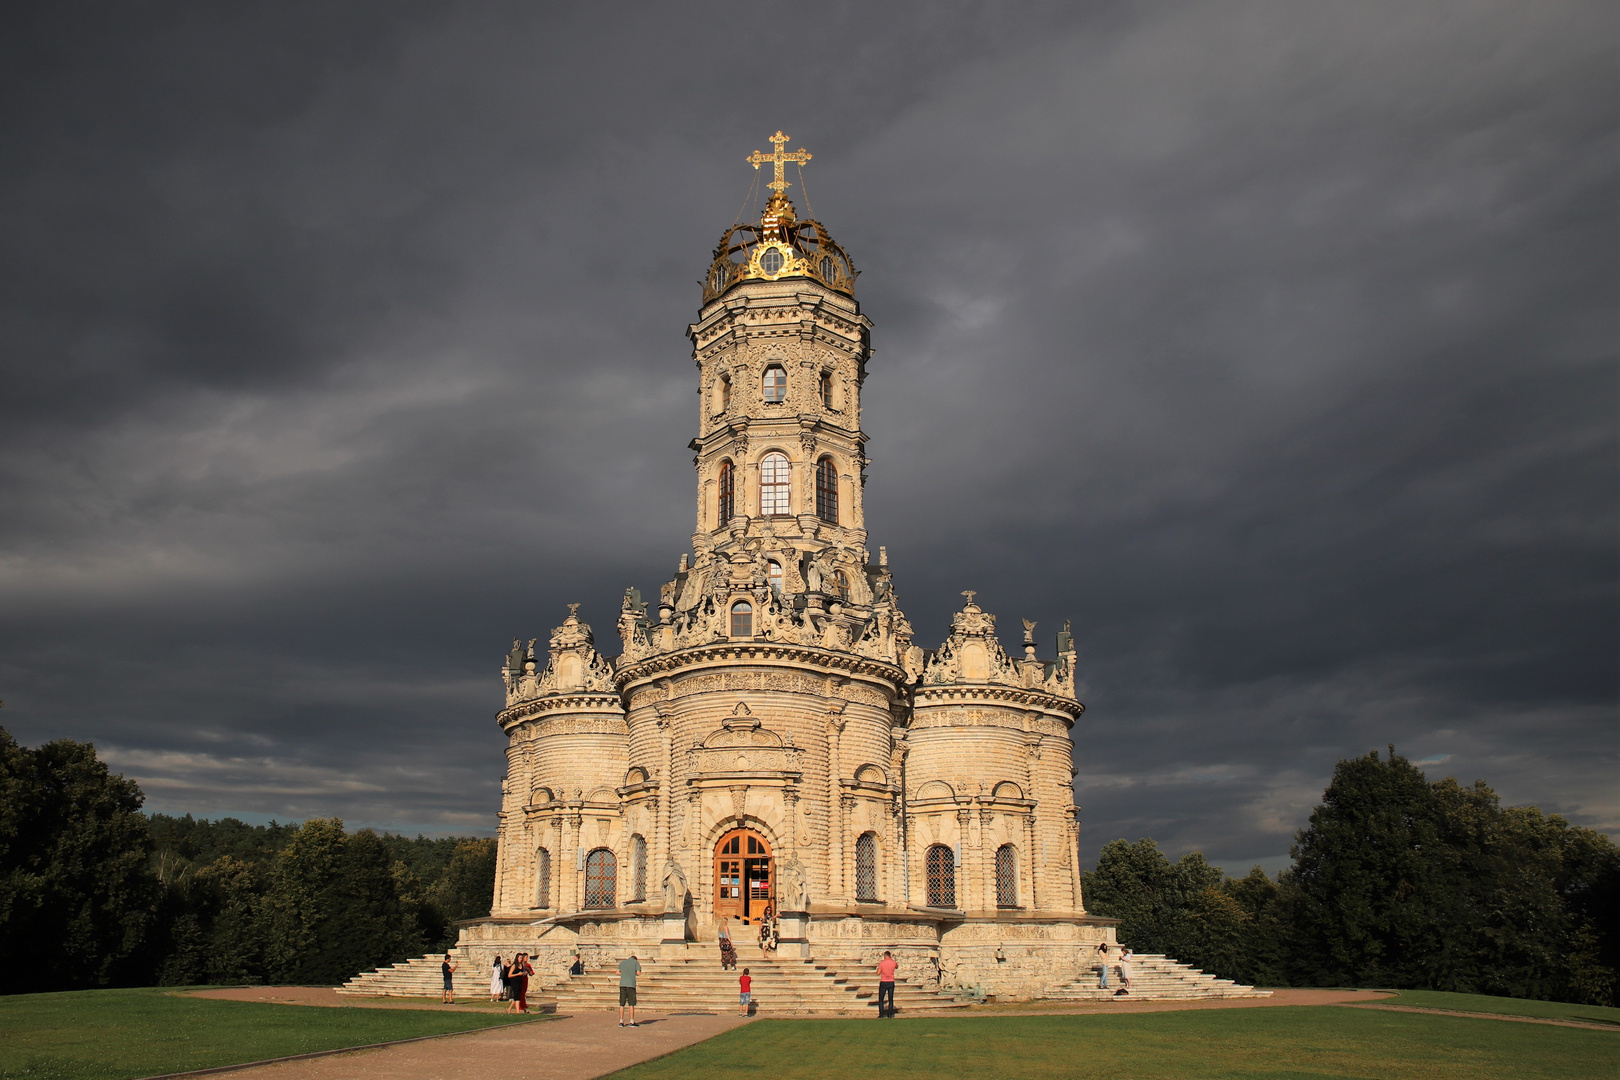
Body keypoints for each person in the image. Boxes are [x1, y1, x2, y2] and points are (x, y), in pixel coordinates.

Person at [618, 953, 642, 1027]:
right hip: (631, 984)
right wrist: (632, 974)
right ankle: (631, 1021)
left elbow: (617, 972)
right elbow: (638, 973)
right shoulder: (635, 963)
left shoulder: (622, 962)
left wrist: (624, 974)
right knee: (631, 1004)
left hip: (622, 984)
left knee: (622, 1003)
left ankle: (621, 1021)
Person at [876, 950, 898, 1018]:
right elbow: (897, 966)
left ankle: (881, 1014)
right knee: (890, 999)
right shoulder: (893, 962)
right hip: (891, 981)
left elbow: (878, 973)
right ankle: (890, 1014)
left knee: (881, 999)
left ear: (885, 956)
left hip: (884, 981)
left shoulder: (882, 963)